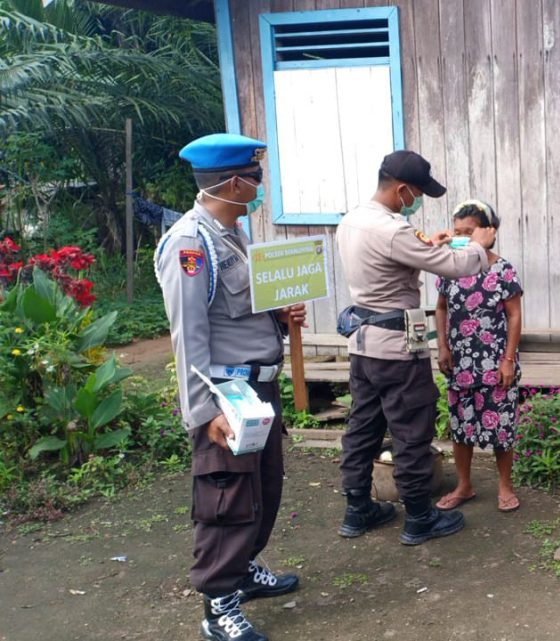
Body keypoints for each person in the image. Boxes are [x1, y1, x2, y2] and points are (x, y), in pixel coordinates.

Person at [155, 133, 305, 641]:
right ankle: (219, 606)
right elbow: (189, 334)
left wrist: (280, 318)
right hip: (227, 398)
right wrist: (204, 411)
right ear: (236, 181)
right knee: (227, 500)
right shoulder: (189, 245)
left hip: (258, 390)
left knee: (262, 489)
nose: (261, 185)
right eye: (256, 176)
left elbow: (237, 314)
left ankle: (244, 570)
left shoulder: (232, 234)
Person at [336, 150, 497, 544]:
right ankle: (420, 517)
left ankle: (357, 509)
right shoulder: (393, 230)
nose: (418, 200)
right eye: (418, 193)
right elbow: (456, 267)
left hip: (363, 345)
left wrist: (433, 242)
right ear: (403, 189)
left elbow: (399, 258)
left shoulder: (353, 220)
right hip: (397, 349)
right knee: (410, 429)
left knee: (363, 426)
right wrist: (478, 245)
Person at [434, 200, 525, 513]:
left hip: (495, 361)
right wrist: (443, 346)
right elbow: (442, 307)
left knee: (501, 425)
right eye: (457, 232)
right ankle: (464, 485)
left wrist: (508, 359)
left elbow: (514, 316)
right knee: (461, 427)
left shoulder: (502, 270)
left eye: (468, 232)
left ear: (489, 232)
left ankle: (505, 486)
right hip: (459, 361)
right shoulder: (450, 267)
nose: (461, 238)